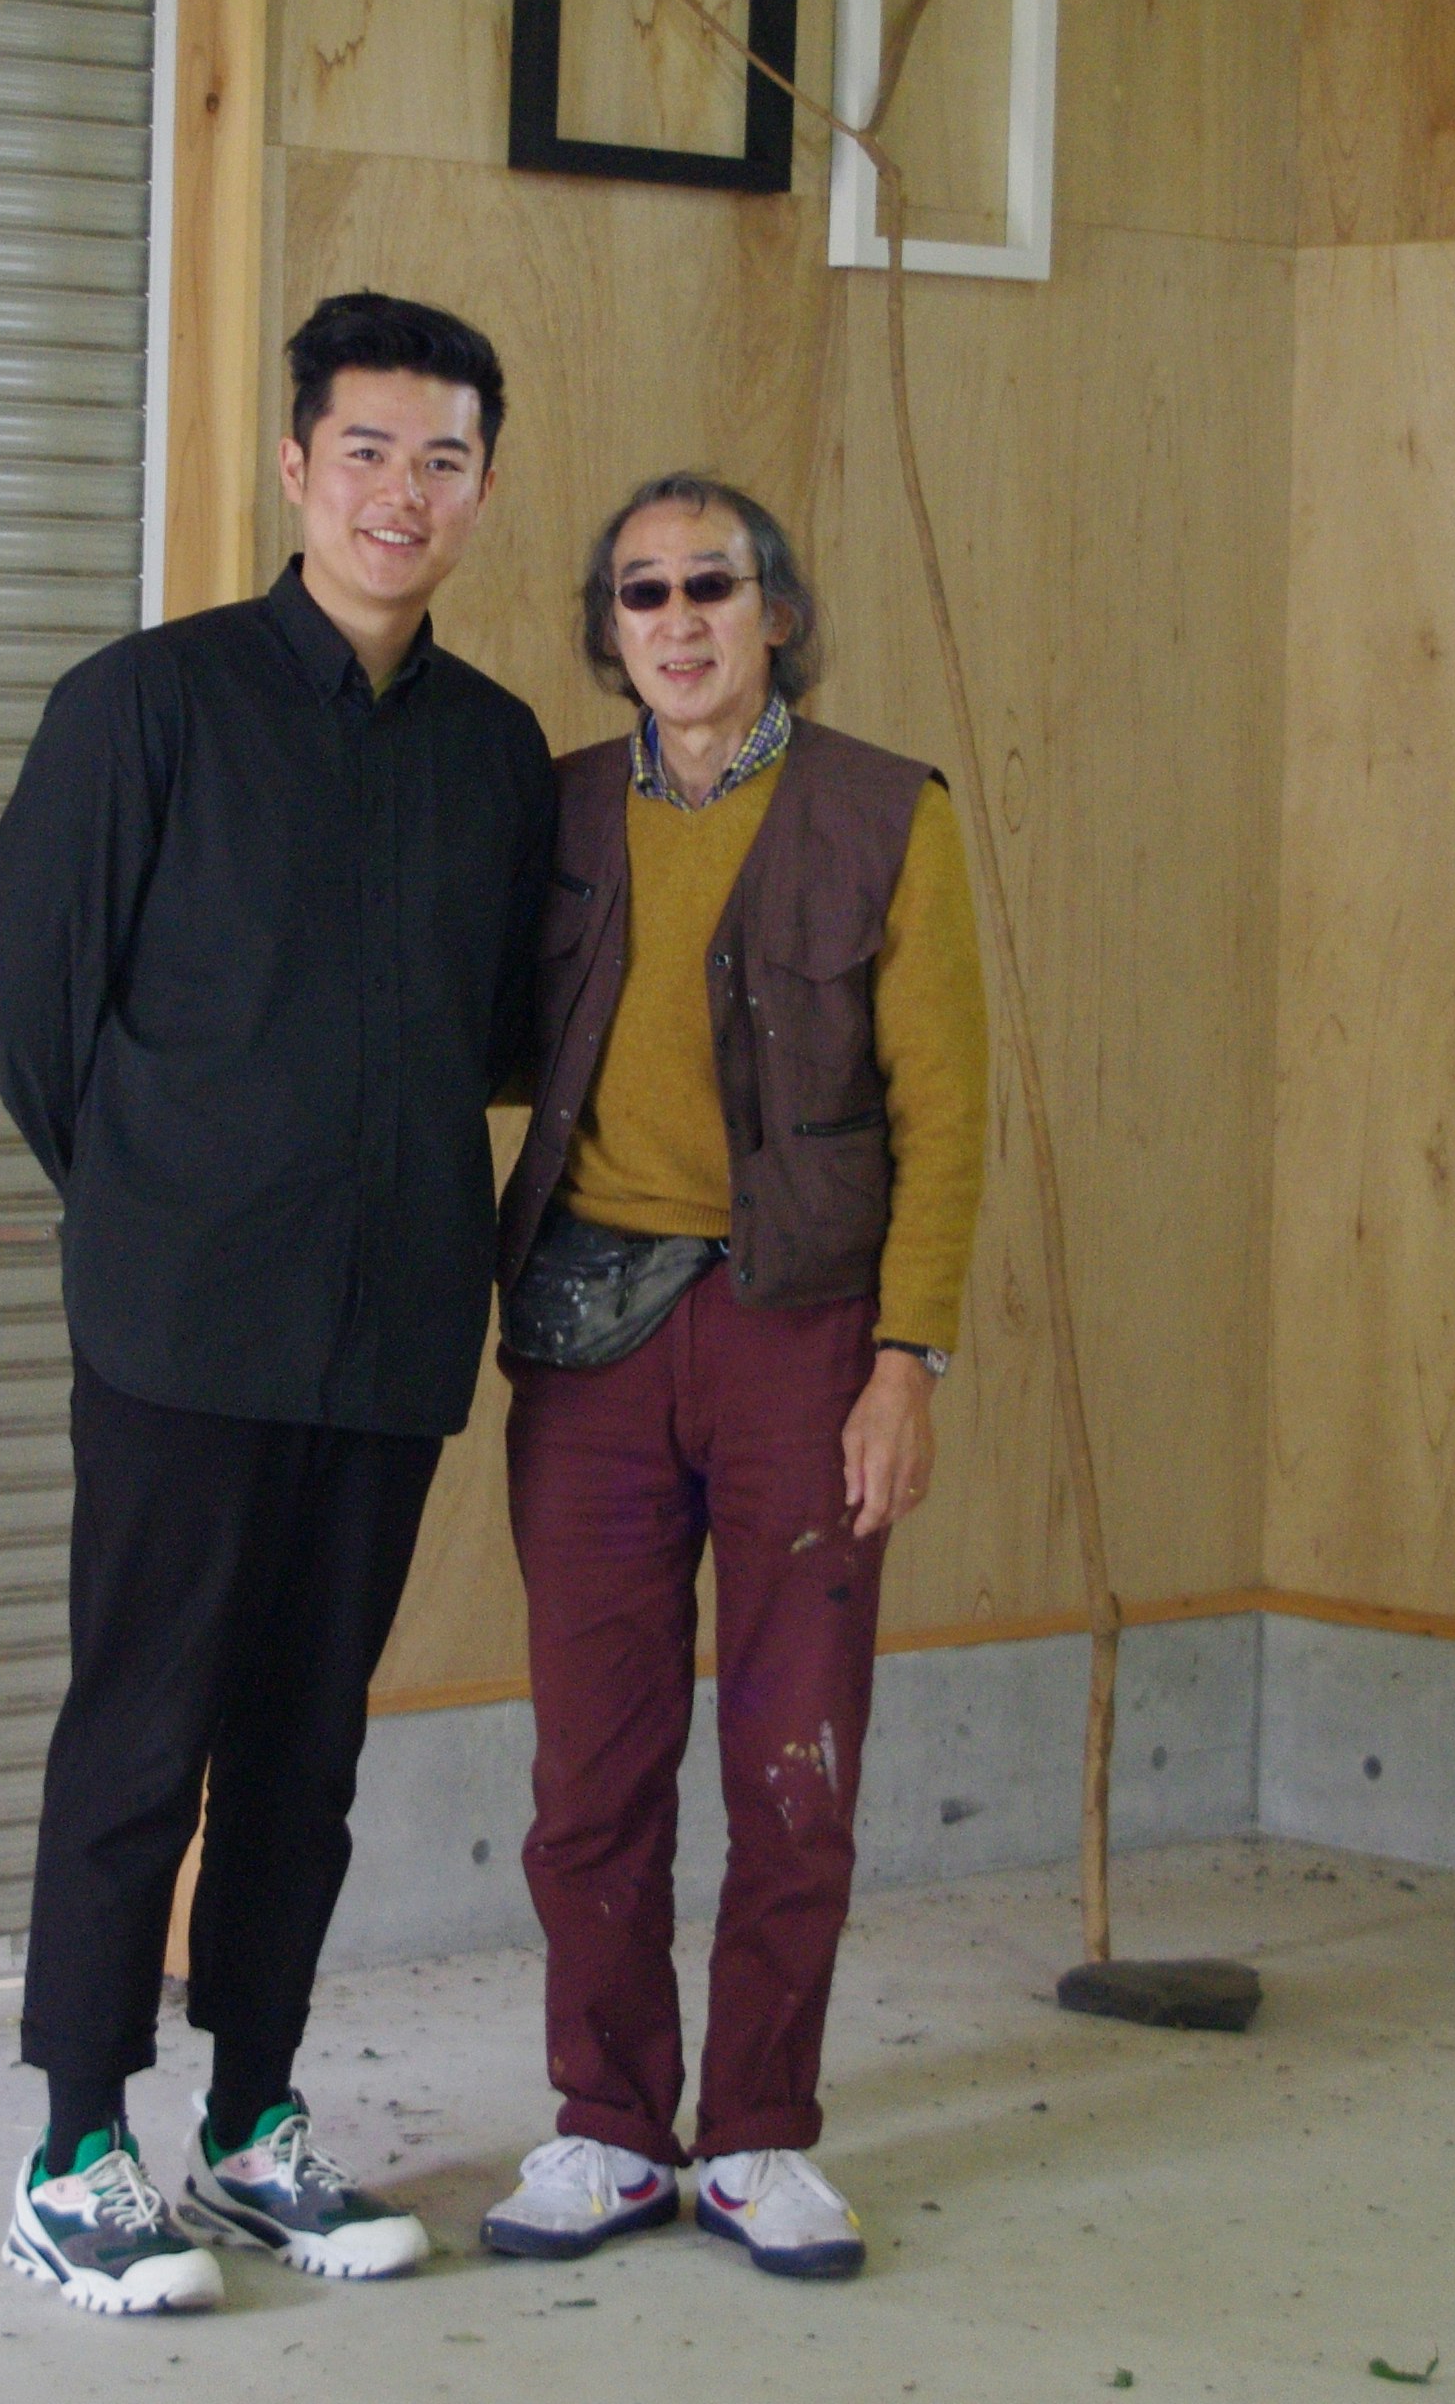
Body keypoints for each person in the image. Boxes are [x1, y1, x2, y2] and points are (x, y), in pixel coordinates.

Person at [0, 293, 556, 2314]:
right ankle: (70, 2139)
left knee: (304, 1748)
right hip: (179, 1324)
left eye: (445, 456)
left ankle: (251, 2121)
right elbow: (25, 998)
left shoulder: (493, 755)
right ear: (294, 465)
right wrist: (154, 1197)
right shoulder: (143, 706)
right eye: (369, 449)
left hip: (388, 1326)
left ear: (481, 484)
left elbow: (494, 1030)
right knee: (141, 1727)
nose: (404, 491)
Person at [473, 472, 986, 2283]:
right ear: (606, 630)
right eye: (641, 593)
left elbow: (946, 1107)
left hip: (804, 1342)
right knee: (590, 1763)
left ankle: (761, 2136)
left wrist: (906, 1358)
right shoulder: (548, 815)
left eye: (713, 584)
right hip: (589, 1342)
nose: (678, 619)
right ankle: (608, 2130)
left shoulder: (882, 812)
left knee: (794, 1757)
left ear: (778, 608)